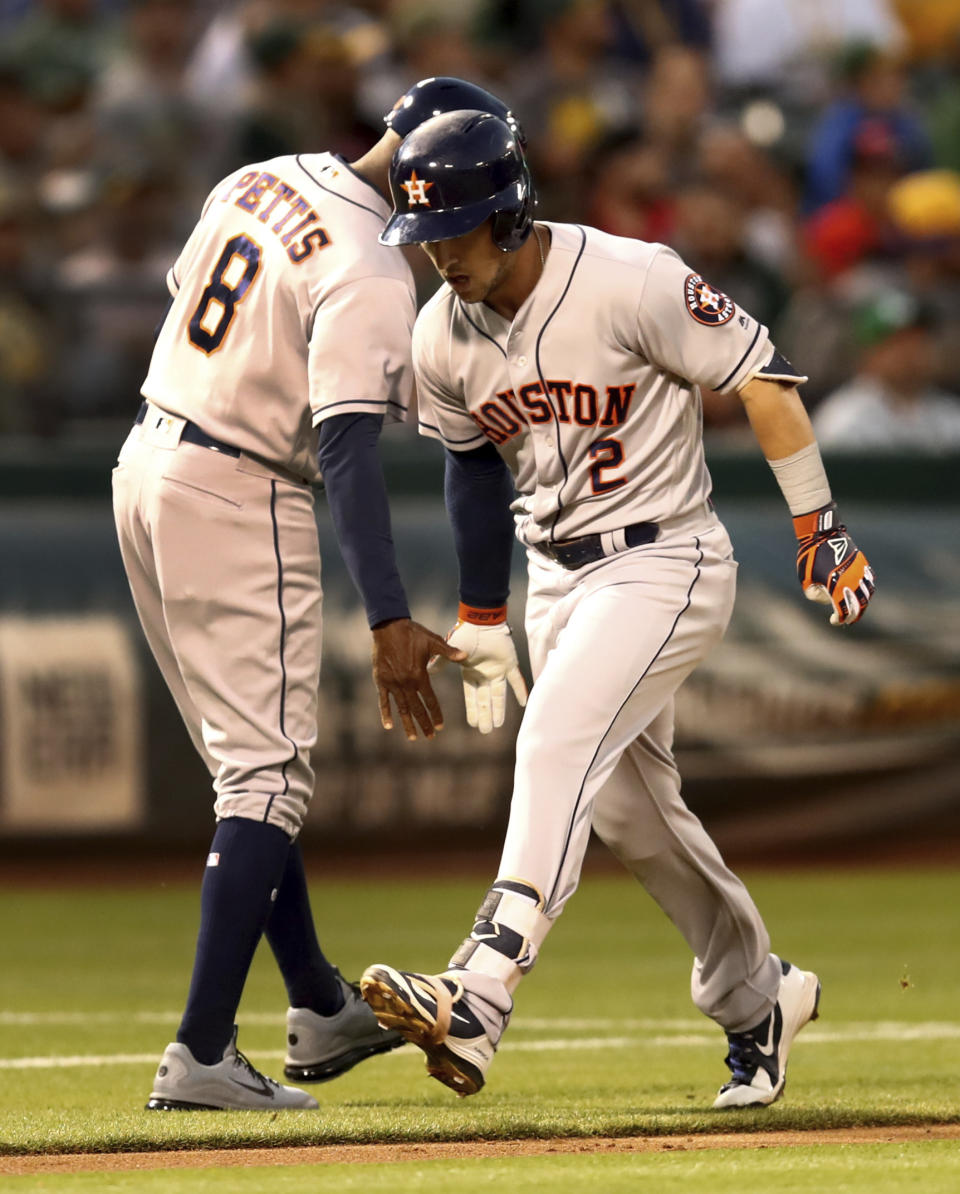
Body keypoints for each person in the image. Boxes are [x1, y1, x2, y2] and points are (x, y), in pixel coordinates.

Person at [359, 109, 875, 1109]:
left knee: (553, 740)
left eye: (451, 235)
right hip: (556, 582)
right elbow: (470, 471)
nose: (437, 260)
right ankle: (756, 997)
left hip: (664, 562)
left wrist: (821, 528)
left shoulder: (630, 276)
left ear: (506, 217)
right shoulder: (440, 334)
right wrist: (479, 613)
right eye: (422, 242)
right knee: (638, 816)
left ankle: (480, 988)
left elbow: (763, 384)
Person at [111, 78, 525, 1112]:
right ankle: (202, 1052)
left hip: (148, 457)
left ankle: (315, 1002)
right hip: (241, 484)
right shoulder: (378, 269)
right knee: (268, 777)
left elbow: (185, 296)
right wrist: (389, 613)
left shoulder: (262, 174)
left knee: (242, 764)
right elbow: (345, 448)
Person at [813, 291, 960, 451]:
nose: (912, 351)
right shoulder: (843, 420)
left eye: (919, 340)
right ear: (868, 352)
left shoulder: (949, 414)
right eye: (899, 342)